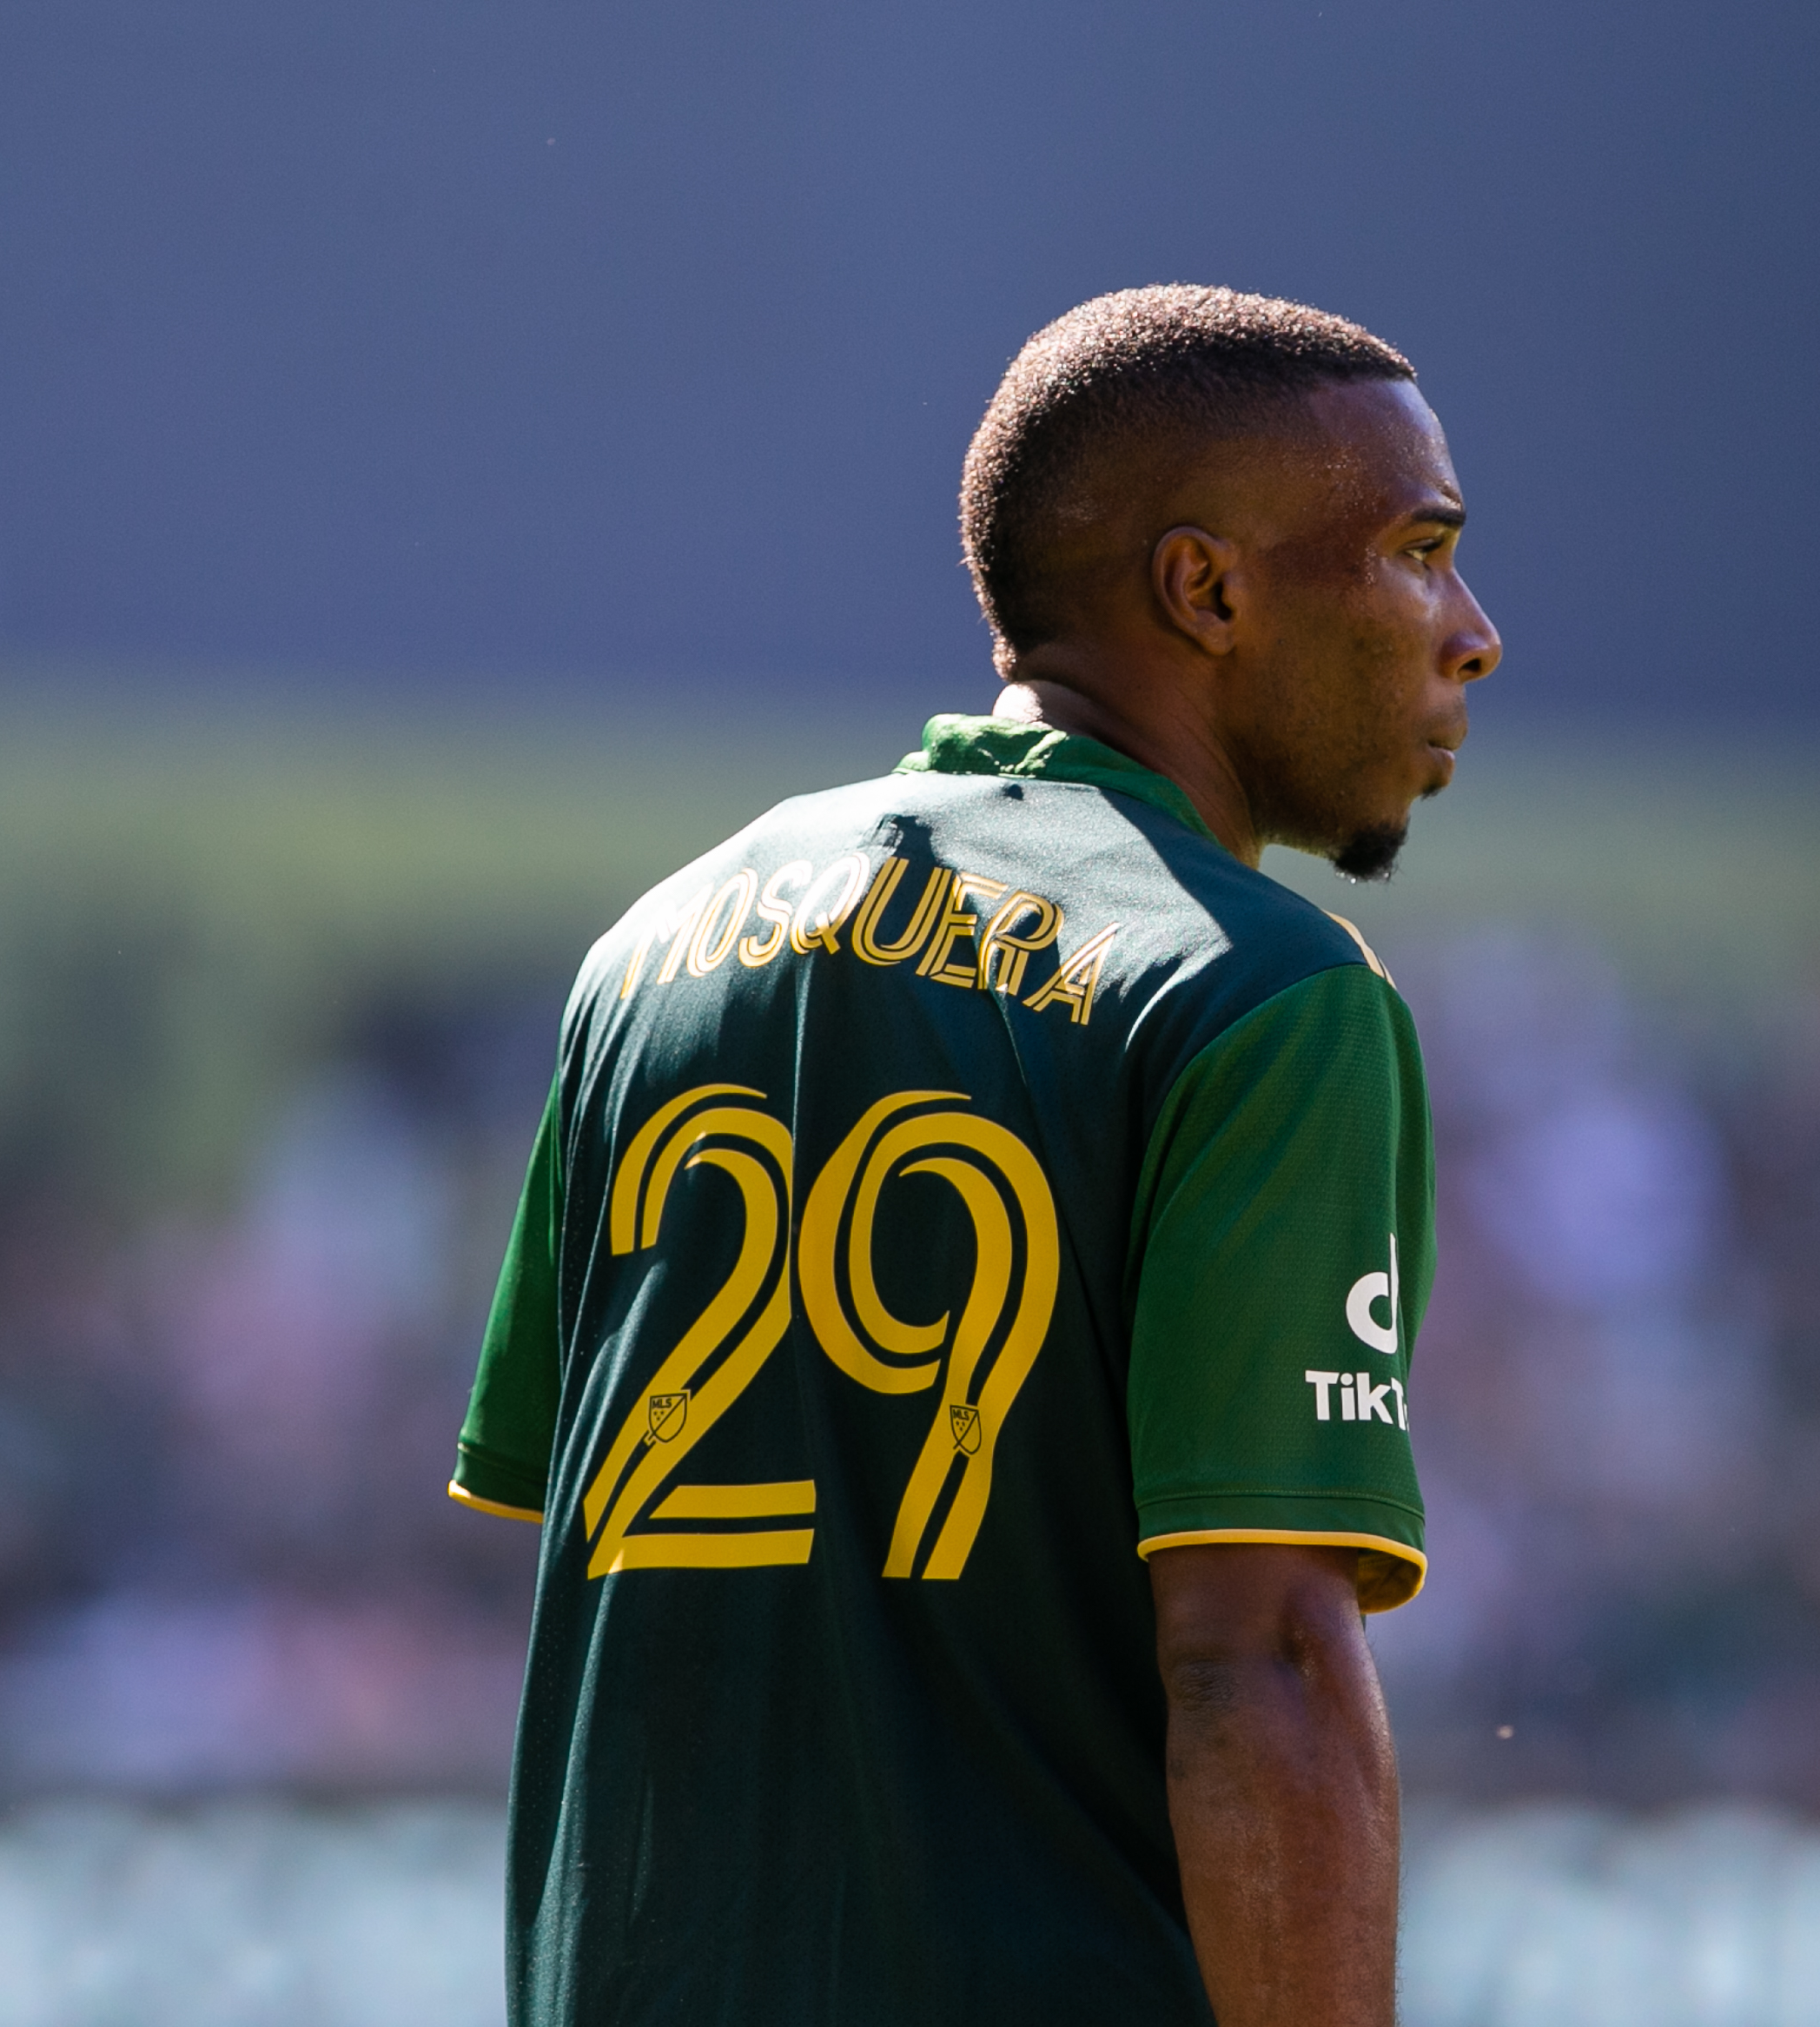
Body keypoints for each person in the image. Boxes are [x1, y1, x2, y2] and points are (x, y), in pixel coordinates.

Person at [450, 283, 1500, 2026]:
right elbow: (1264, 1669)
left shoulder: (650, 951)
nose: (1469, 630)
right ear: (1209, 592)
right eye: (1415, 552)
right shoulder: (1258, 996)